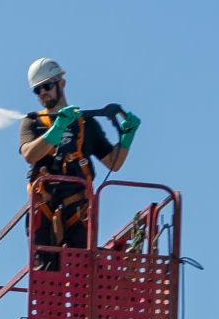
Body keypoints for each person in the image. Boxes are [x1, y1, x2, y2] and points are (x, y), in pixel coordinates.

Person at [18, 58, 141, 257]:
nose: (42, 93)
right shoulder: (32, 122)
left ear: (61, 83)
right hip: (45, 210)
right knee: (46, 276)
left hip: (78, 211)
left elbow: (113, 162)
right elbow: (30, 155)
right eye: (37, 90)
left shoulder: (85, 124)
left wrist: (127, 138)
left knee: (82, 271)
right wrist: (57, 128)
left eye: (47, 86)